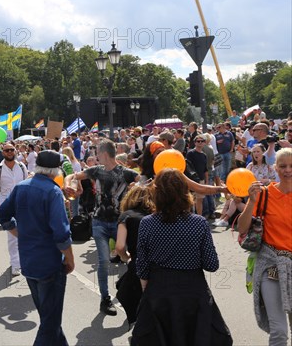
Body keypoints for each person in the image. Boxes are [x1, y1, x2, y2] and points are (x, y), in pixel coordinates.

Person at [132, 169, 232, 345]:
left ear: (157, 193)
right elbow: (211, 264)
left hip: (159, 292)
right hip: (193, 293)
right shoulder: (198, 223)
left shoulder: (147, 223)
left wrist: (147, 294)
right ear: (185, 192)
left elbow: (142, 266)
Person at [0, 150, 74, 346]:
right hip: (49, 263)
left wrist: (19, 233)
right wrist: (70, 258)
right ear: (55, 170)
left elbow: (2, 215)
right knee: (50, 321)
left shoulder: (21, 187)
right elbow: (61, 233)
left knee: (49, 317)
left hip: (29, 262)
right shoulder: (53, 191)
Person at [66, 139, 139, 316]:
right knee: (104, 261)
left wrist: (137, 186)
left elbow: (144, 181)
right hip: (98, 222)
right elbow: (73, 176)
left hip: (119, 223)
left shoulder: (125, 173)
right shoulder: (96, 170)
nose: (96, 156)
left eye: (98, 153)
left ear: (104, 154)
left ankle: (131, 293)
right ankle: (105, 299)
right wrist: (69, 184)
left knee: (130, 259)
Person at [237, 148, 292, 346]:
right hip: (271, 266)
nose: (288, 170)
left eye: (291, 166)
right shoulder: (265, 195)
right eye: (283, 166)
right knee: (278, 332)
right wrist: (251, 201)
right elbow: (242, 228)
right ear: (275, 169)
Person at [114, 184, 155, 327]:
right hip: (157, 263)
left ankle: (139, 328)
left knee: (127, 293)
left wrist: (126, 258)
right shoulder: (155, 216)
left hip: (137, 263)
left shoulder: (126, 216)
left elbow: (119, 246)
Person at [0, 144, 29, 276]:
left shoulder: (22, 166)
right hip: (7, 205)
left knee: (25, 233)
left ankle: (24, 260)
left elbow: (27, 183)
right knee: (12, 236)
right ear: (3, 153)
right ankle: (15, 264)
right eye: (7, 150)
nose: (10, 152)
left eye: (12, 150)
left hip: (23, 203)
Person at [187, 135, 209, 215]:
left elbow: (205, 169)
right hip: (192, 180)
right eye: (198, 141)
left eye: (202, 141)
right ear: (195, 143)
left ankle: (199, 217)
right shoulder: (190, 153)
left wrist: (206, 181)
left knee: (200, 200)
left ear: (204, 143)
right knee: (190, 200)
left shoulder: (204, 155)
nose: (200, 143)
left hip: (201, 180)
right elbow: (188, 167)